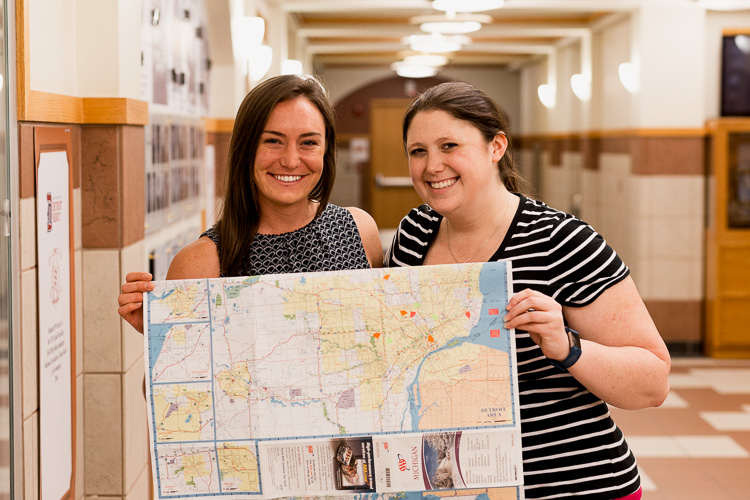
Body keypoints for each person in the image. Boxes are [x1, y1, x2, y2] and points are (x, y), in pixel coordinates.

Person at [386, 82, 670, 500]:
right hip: (462, 487)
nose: (432, 166)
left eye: (449, 146)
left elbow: (653, 382)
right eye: (418, 151)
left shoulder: (562, 241)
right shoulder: (414, 234)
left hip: (575, 487)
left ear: (496, 146)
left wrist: (567, 345)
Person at [119, 74, 383, 333]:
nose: (291, 160)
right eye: (273, 141)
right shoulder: (200, 263)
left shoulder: (359, 230)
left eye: (309, 143)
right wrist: (156, 337)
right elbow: (173, 374)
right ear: (246, 149)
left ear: (326, 152)